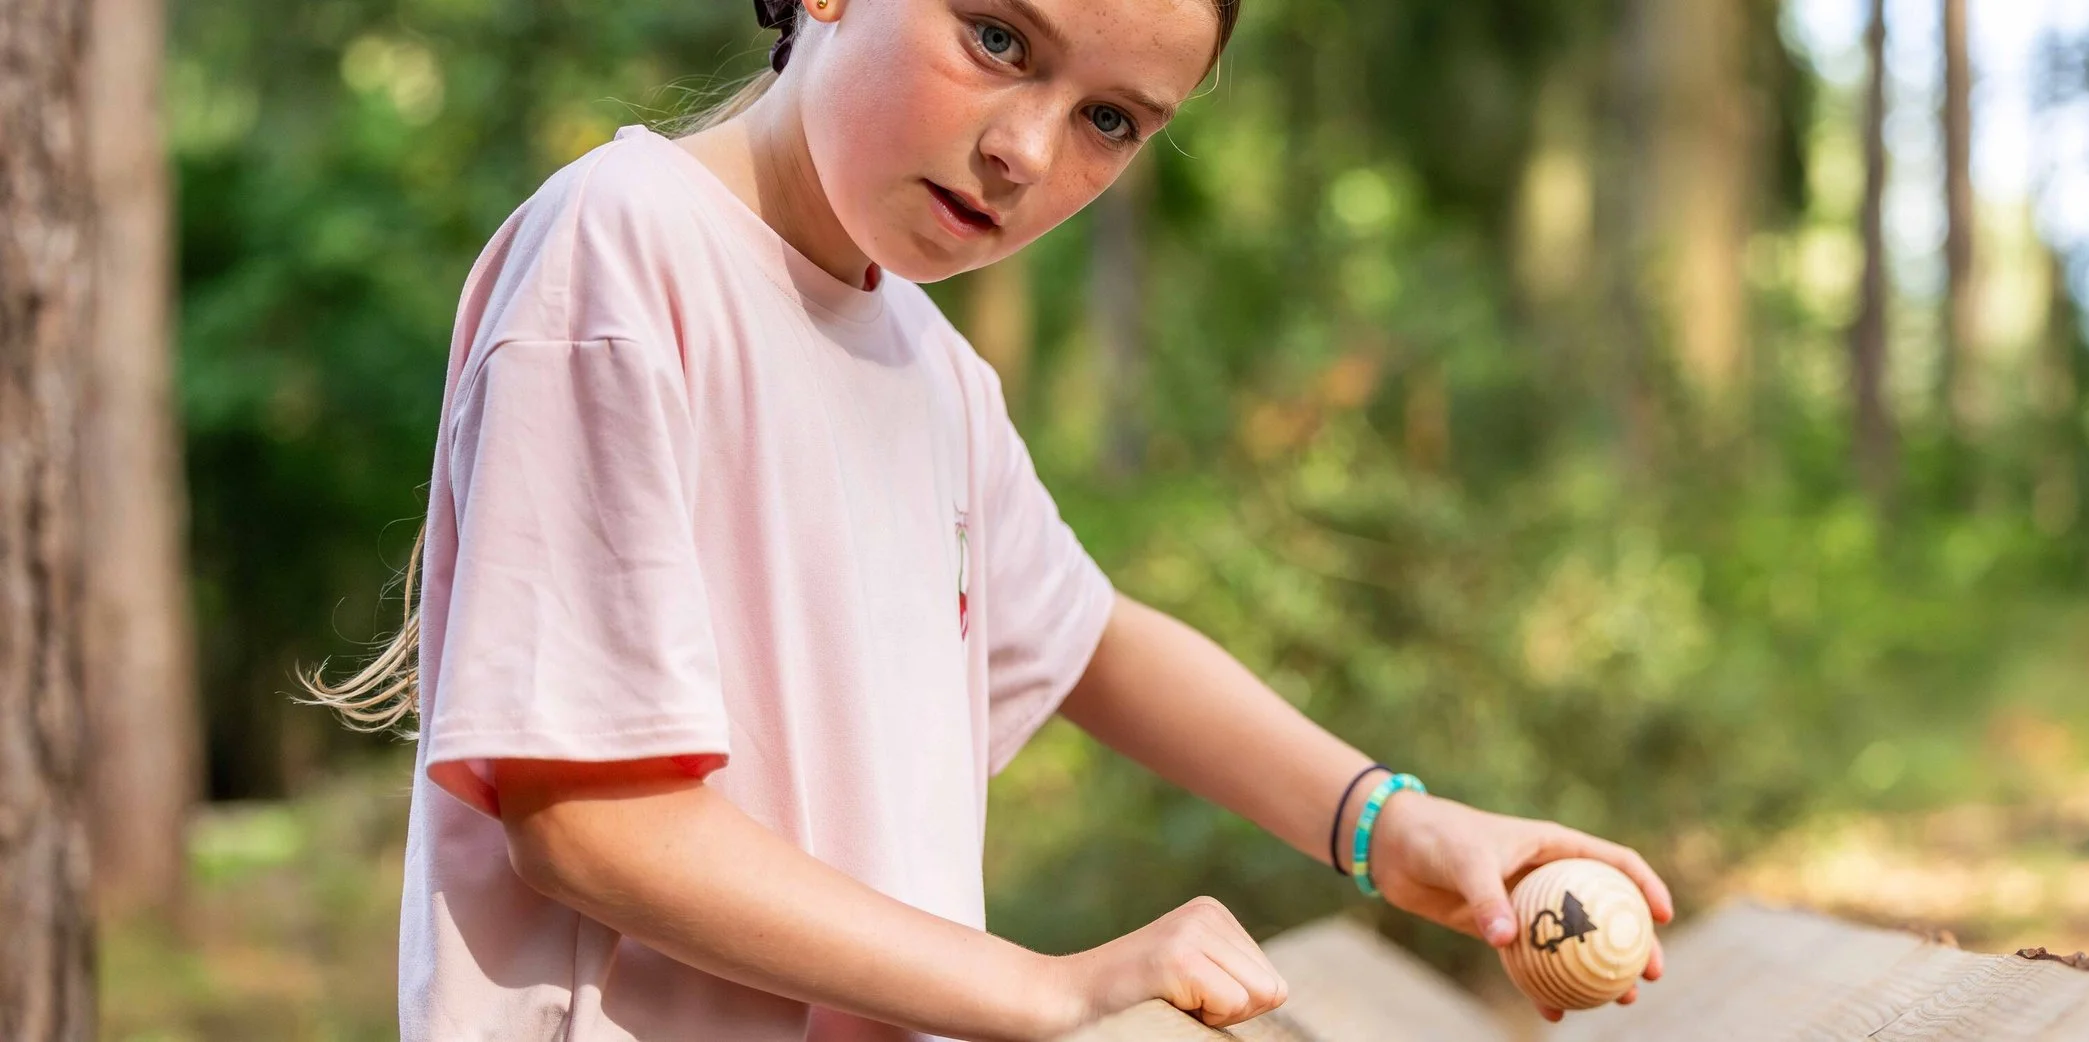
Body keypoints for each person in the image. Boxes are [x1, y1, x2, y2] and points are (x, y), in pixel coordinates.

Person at [303, 0, 1674, 1037]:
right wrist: (1046, 987)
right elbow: (591, 820)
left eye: (1111, 121)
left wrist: (1392, 826)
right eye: (999, 39)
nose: (1024, 151)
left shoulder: (935, 370)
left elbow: (1091, 643)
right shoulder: (625, 246)